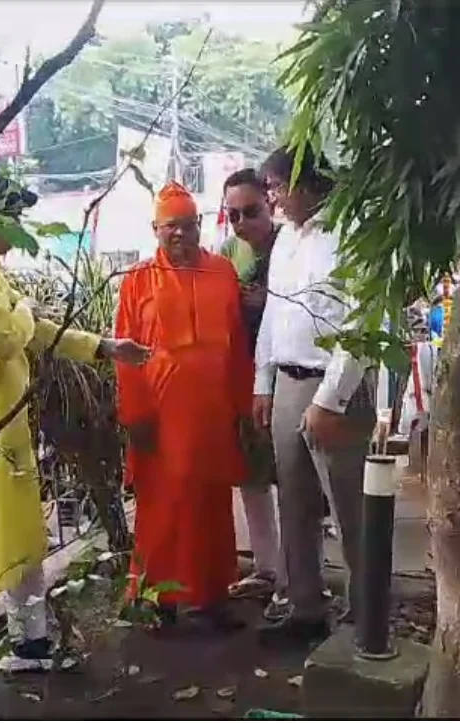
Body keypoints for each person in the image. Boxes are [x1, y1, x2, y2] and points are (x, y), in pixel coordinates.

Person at [0, 171, 149, 713]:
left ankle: (32, 641)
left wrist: (103, 347)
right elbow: (5, 338)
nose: (19, 226)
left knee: (22, 536)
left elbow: (34, 328)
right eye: (12, 215)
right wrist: (24, 314)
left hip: (5, 428)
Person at [252, 147, 377, 647]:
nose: (273, 199)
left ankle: (366, 617)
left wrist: (330, 399)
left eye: (277, 187)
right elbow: (274, 315)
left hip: (335, 387)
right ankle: (305, 608)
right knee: (295, 504)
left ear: (305, 184)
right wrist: (264, 382)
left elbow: (365, 321)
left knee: (351, 508)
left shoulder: (352, 232)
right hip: (287, 380)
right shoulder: (284, 239)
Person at [117, 181, 252, 631]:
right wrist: (135, 417)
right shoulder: (137, 280)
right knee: (164, 509)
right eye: (170, 227)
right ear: (155, 229)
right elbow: (125, 356)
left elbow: (237, 350)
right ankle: (159, 602)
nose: (180, 235)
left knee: (212, 507)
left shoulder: (223, 272)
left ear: (200, 226)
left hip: (213, 415)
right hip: (161, 418)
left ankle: (211, 599)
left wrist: (242, 407)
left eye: (188, 225)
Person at [217, 169, 284, 601]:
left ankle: (301, 580)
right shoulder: (227, 252)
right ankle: (267, 568)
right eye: (233, 215)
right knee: (253, 479)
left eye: (251, 212)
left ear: (270, 204)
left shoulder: (291, 244)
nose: (243, 223)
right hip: (244, 377)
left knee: (296, 484)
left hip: (292, 374)